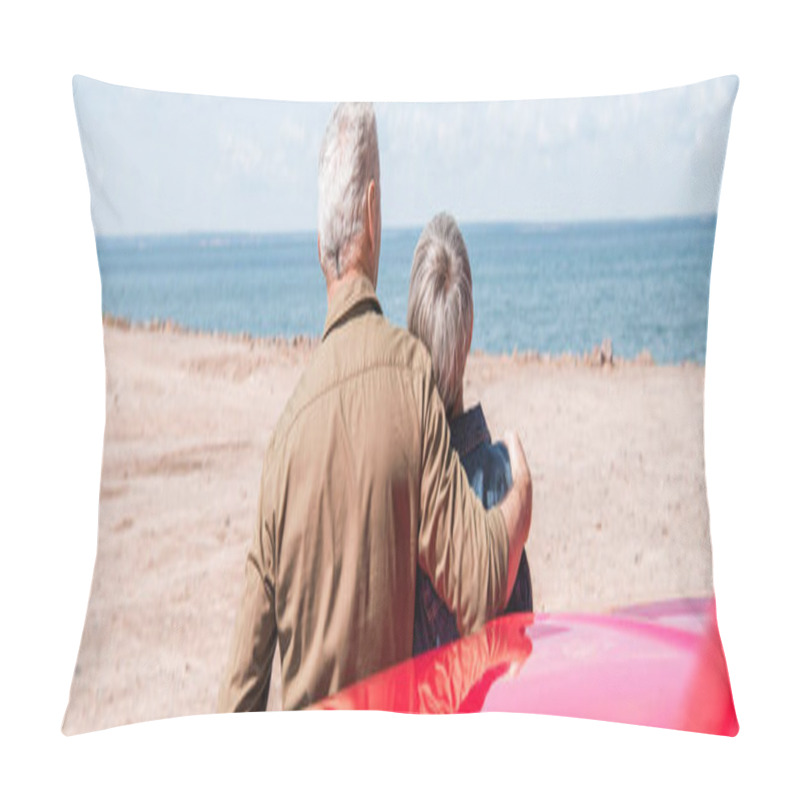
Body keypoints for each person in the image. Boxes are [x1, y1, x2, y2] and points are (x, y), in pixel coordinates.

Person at [217, 103, 532, 712]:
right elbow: (479, 584)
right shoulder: (406, 373)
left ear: (318, 247)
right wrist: (522, 494)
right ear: (372, 210)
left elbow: (241, 693)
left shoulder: (284, 438)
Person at [407, 212, 534, 655]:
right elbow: (519, 640)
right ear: (470, 326)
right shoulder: (500, 476)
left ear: (412, 324)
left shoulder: (395, 475)